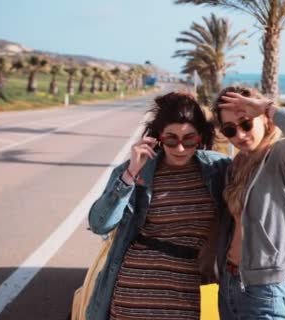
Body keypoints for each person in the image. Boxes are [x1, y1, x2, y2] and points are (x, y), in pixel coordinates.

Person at [86, 92, 231, 320]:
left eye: (189, 139)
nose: (180, 148)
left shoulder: (219, 169)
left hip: (184, 290)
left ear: (200, 137)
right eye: (171, 139)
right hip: (133, 290)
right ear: (159, 137)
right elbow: (99, 224)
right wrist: (130, 174)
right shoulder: (137, 170)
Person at [213, 85, 285, 319]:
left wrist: (267, 107)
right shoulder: (237, 166)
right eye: (230, 130)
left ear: (264, 120)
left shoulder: (282, 158)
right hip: (230, 285)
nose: (240, 135)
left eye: (246, 123)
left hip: (266, 292)